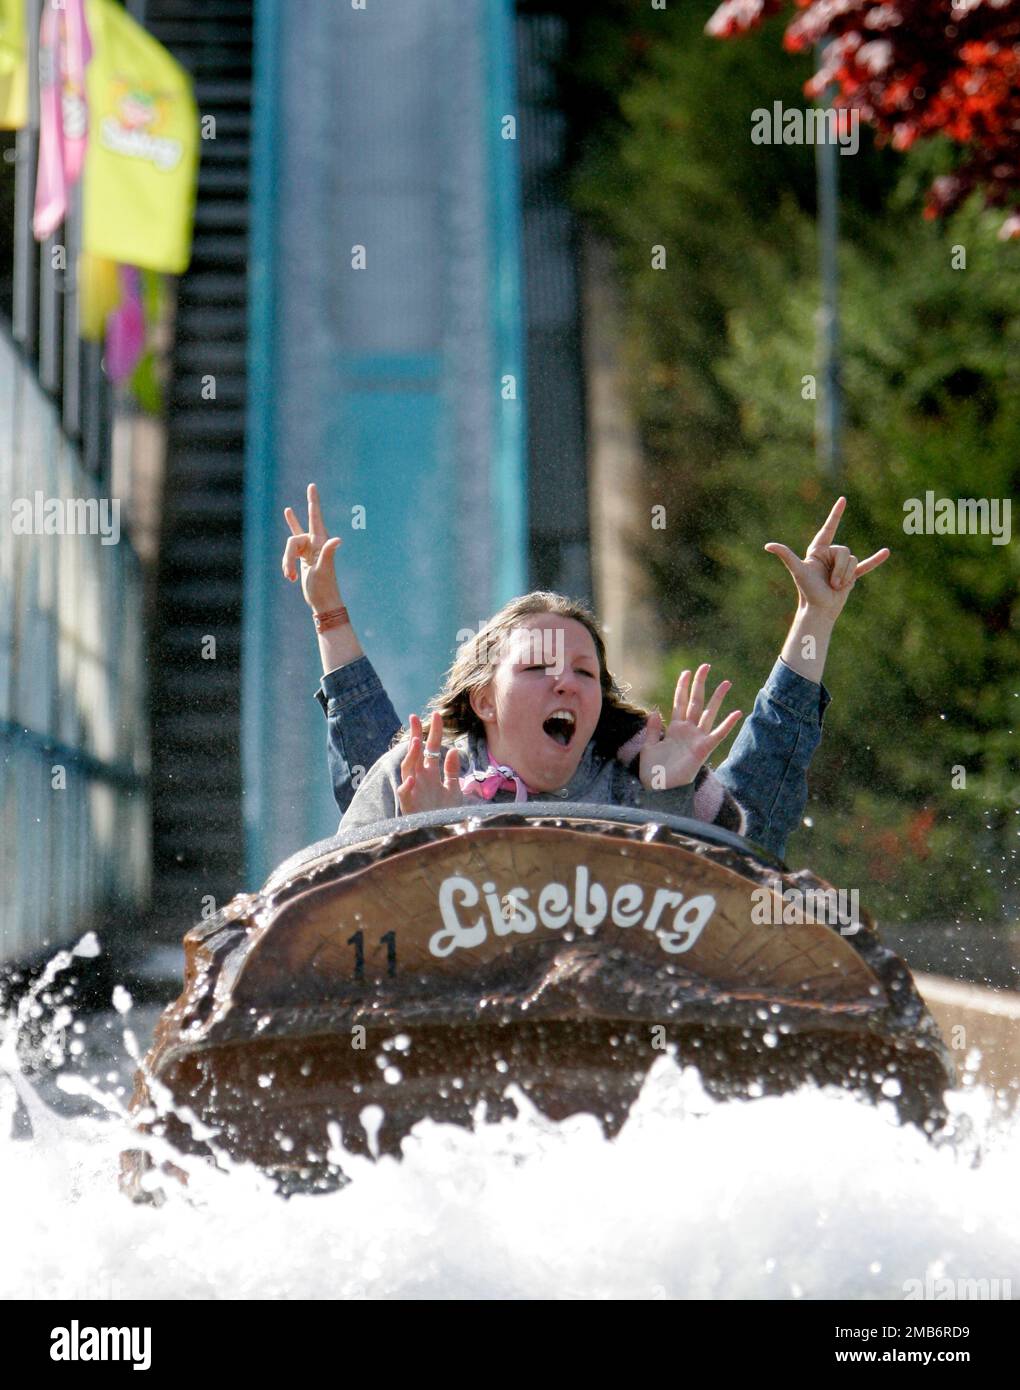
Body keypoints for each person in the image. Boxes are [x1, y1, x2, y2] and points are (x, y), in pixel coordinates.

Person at [282, 484, 889, 858]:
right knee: (384, 755)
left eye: (584, 671)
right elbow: (336, 925)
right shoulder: (415, 780)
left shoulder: (638, 784)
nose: (565, 681)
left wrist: (673, 804)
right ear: (485, 701)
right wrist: (425, 838)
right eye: (538, 666)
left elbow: (747, 859)